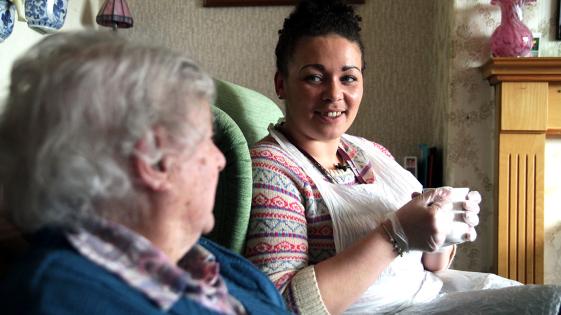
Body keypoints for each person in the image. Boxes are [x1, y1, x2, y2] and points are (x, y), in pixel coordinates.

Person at [244, 1, 561, 314]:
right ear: (281, 84)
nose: (334, 94)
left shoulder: (370, 153)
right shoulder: (271, 170)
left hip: (432, 295)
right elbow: (276, 305)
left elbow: (426, 263)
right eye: (314, 77)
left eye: (349, 77)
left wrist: (442, 233)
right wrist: (392, 236)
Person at [0, 31, 289, 315]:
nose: (219, 160)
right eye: (206, 140)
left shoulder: (212, 262)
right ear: (154, 161)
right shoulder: (62, 300)